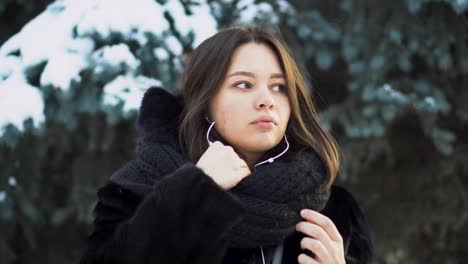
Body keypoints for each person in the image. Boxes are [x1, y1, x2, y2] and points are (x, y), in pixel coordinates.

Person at [79, 25, 377, 264]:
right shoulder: (136, 190)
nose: (267, 100)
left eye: (279, 87)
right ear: (205, 100)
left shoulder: (330, 210)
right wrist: (195, 189)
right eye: (244, 84)